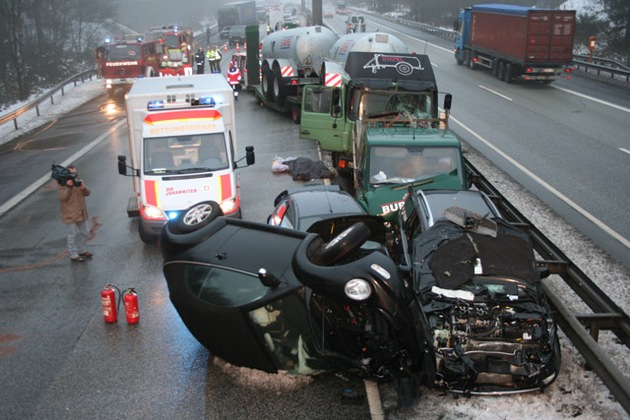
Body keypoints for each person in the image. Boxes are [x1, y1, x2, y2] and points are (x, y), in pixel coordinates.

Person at [57, 165, 92, 262]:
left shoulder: (78, 181)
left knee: (85, 232)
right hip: (70, 214)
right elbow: (63, 198)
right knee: (72, 235)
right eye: (71, 173)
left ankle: (82, 250)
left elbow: (88, 193)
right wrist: (68, 187)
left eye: (75, 172)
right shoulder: (62, 184)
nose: (74, 174)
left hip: (81, 212)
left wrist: (83, 188)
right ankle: (73, 254)